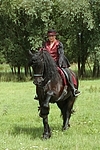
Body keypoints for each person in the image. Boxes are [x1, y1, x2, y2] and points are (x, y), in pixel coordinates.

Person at [34, 29, 80, 99]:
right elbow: (41, 53)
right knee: (40, 75)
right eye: (49, 36)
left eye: (52, 36)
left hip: (58, 62)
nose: (50, 37)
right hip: (48, 65)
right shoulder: (45, 44)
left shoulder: (59, 44)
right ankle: (39, 94)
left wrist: (59, 63)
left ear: (55, 36)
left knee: (67, 72)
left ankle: (73, 89)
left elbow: (61, 54)